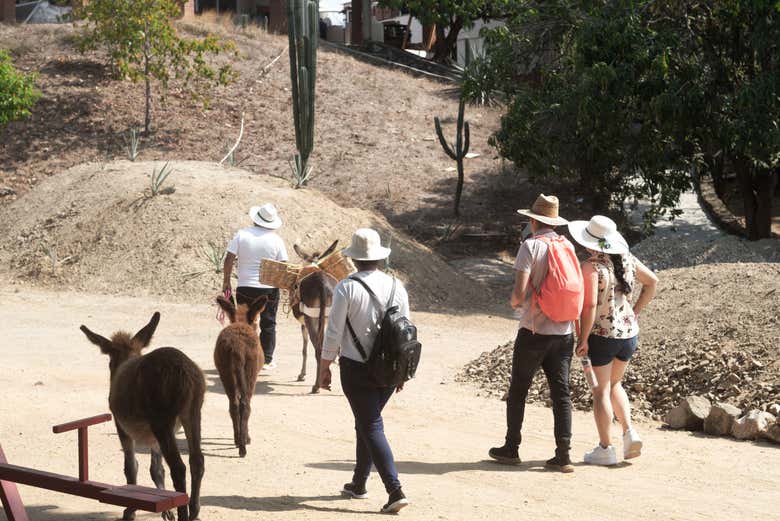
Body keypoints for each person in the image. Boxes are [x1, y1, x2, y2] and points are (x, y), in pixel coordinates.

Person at [319, 228, 411, 514]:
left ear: (354, 259)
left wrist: (324, 367)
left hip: (356, 368)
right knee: (366, 421)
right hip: (390, 368)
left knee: (370, 425)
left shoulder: (346, 287)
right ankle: (359, 483)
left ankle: (395, 490)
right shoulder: (398, 286)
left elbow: (333, 332)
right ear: (379, 258)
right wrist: (402, 372)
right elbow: (406, 331)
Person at [489, 194, 579, 473]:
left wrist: (515, 302)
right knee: (561, 393)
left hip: (534, 330)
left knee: (518, 390)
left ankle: (511, 448)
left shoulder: (530, 247)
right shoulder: (569, 246)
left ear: (532, 220)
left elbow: (518, 294)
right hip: (564, 331)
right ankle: (563, 454)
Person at [568, 215, 658, 465]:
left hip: (602, 337)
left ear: (588, 242)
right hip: (628, 334)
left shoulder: (591, 267)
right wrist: (635, 311)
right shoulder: (626, 258)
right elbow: (652, 282)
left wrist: (582, 338)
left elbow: (590, 306)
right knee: (616, 384)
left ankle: (605, 448)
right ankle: (629, 433)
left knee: (600, 391)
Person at [223, 203, 289, 370]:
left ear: (256, 219)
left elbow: (229, 258)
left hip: (245, 287)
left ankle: (243, 354)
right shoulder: (276, 240)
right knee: (268, 322)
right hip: (268, 289)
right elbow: (283, 265)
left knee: (244, 322)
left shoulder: (242, 235)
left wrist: (226, 281)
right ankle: (266, 359)